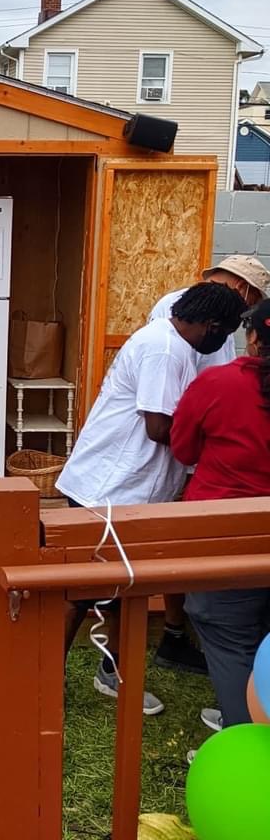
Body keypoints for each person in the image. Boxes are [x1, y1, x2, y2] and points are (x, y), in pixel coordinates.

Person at [56, 282, 247, 715]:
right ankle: (44, 679)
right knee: (79, 594)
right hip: (107, 490)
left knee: (126, 588)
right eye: (225, 333)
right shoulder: (164, 350)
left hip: (131, 489)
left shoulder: (172, 343)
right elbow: (159, 428)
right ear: (211, 325)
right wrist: (213, 427)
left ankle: (113, 671)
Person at [146, 256, 269, 673]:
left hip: (216, 484)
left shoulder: (223, 377)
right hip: (209, 456)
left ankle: (187, 638)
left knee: (218, 594)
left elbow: (182, 443)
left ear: (252, 339)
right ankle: (176, 632)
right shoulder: (180, 318)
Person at [171, 297, 270, 741]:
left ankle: (246, 743)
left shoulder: (218, 384)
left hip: (228, 533)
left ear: (252, 338)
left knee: (232, 643)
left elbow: (184, 449)